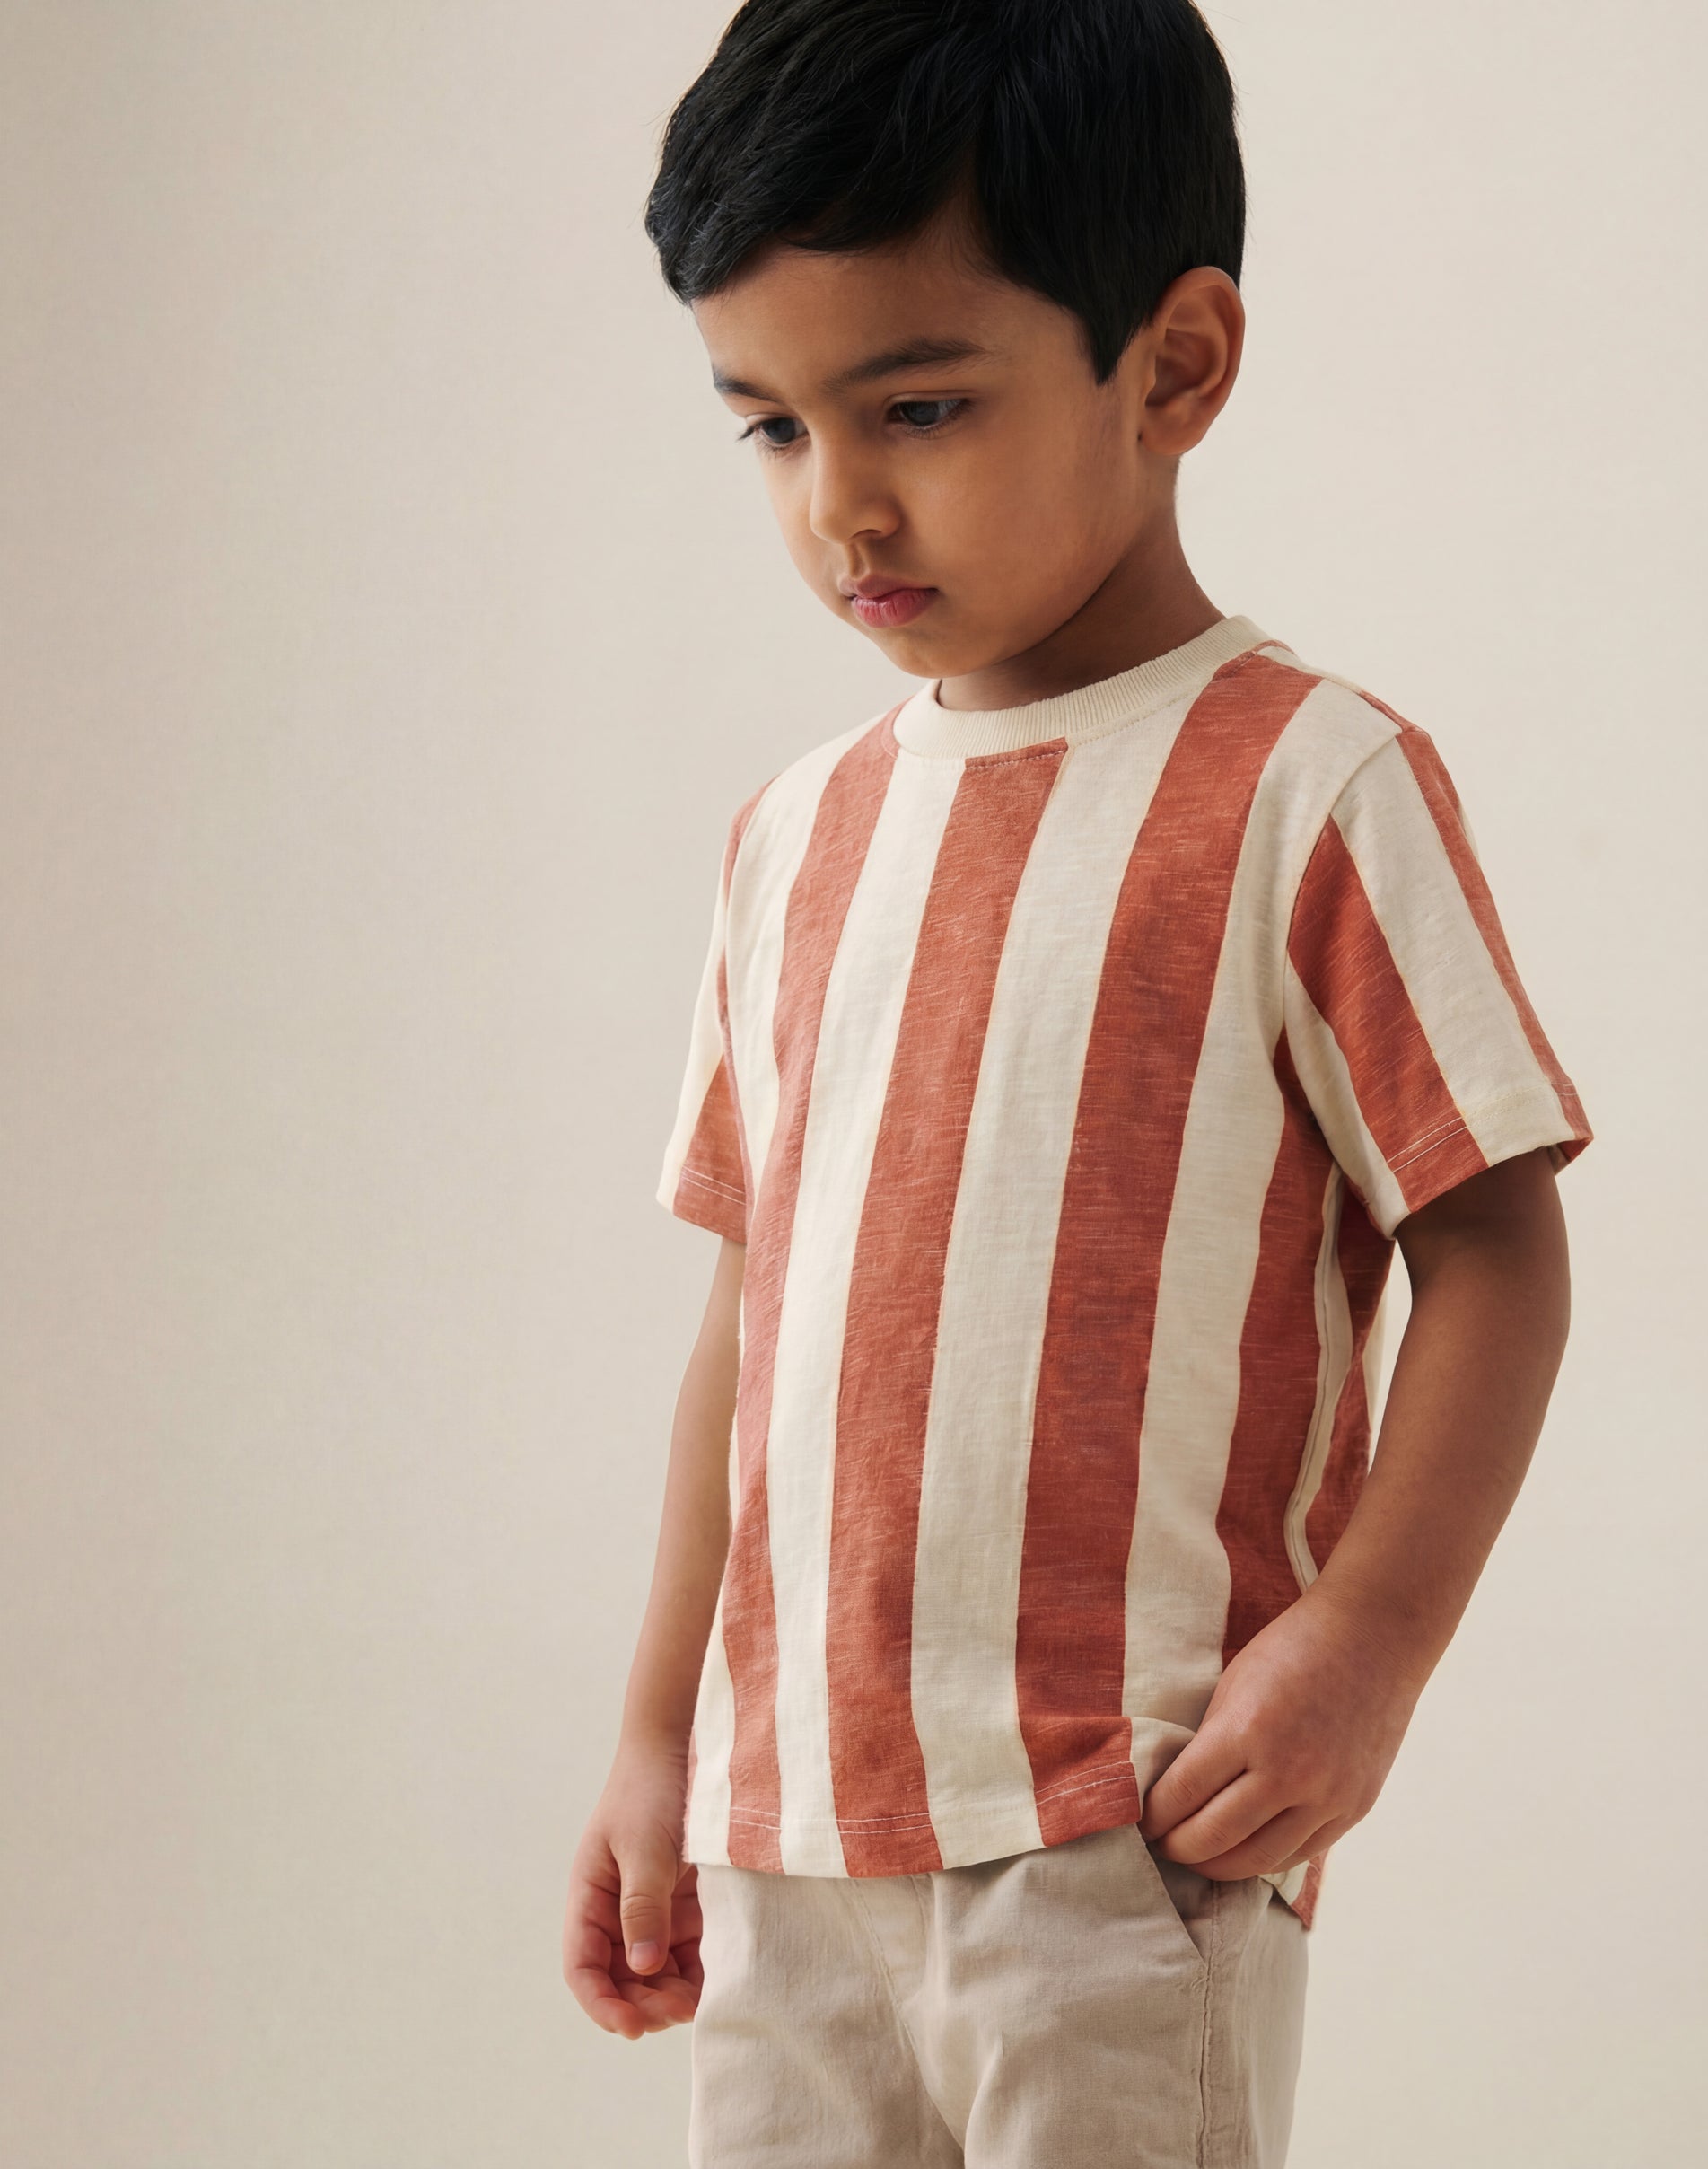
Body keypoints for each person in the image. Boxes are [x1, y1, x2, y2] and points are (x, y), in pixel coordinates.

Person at [562, 3, 1593, 2162]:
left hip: (1119, 1824)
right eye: (765, 427)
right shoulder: (794, 834)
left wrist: (1365, 1645)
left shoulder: (1308, 782)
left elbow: (1491, 1237)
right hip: (788, 1844)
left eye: (917, 405)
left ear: (1177, 363)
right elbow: (745, 1320)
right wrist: (662, 1735)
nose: (843, 505)